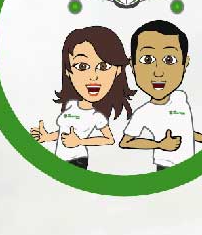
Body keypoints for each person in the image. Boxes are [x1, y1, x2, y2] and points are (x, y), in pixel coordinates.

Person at [119, 19, 202, 172]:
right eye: (147, 59)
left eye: (169, 59)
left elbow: (182, 130)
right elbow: (125, 142)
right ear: (132, 66)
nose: (158, 72)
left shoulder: (180, 97)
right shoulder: (144, 112)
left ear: (185, 63)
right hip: (166, 167)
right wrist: (159, 144)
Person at [27, 25, 131, 170]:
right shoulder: (71, 105)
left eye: (103, 66)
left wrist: (80, 141)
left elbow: (109, 139)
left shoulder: (97, 116)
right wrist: (47, 137)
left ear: (118, 70)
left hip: (77, 160)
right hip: (59, 158)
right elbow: (65, 131)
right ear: (68, 71)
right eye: (82, 66)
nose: (93, 76)